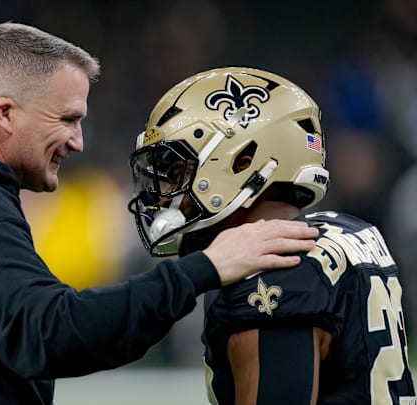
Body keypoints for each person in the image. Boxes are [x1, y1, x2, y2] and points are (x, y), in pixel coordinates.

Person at [0, 24, 319, 405]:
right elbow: (48, 332)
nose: (77, 141)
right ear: (5, 114)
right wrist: (203, 269)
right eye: (68, 119)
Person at [127, 66, 416, 404]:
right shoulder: (349, 232)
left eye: (178, 172)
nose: (163, 196)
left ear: (243, 161)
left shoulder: (272, 271)